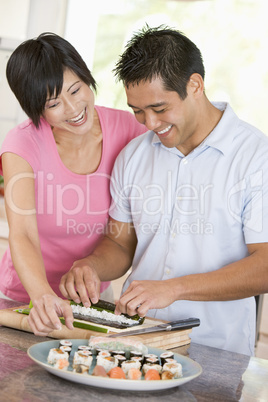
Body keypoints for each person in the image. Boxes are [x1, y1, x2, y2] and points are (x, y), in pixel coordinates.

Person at [59, 25, 268, 355]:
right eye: (137, 111)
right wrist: (91, 266)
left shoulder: (256, 156)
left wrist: (175, 289)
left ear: (195, 85)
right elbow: (119, 242)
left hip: (216, 350)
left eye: (159, 108)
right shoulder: (134, 155)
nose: (149, 124)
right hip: (135, 340)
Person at [0, 33, 146, 336]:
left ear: (86, 77)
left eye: (76, 89)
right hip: (26, 297)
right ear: (35, 109)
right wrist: (41, 295)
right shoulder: (22, 143)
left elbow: (126, 232)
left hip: (92, 299)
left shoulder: (130, 130)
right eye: (53, 103)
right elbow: (23, 233)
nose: (72, 108)